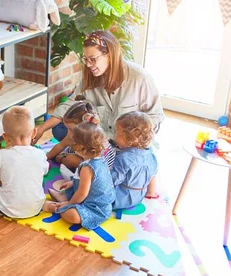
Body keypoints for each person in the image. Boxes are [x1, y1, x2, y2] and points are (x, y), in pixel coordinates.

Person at [33, 30, 165, 144]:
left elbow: (156, 116)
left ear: (109, 55)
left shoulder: (139, 78)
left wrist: (133, 138)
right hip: (100, 139)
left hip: (128, 144)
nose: (89, 64)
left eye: (93, 59)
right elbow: (71, 105)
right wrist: (40, 130)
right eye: (86, 59)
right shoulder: (90, 77)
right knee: (59, 129)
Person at [43, 115, 115, 230]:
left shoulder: (87, 167)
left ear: (80, 147)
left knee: (70, 215)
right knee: (73, 187)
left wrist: (70, 204)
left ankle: (57, 207)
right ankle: (63, 198)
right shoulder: (100, 159)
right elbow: (91, 182)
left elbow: (82, 194)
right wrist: (72, 183)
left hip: (95, 208)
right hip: (102, 202)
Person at [46, 100, 116, 169]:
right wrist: (45, 158)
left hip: (94, 168)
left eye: (71, 129)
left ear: (83, 129)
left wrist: (62, 159)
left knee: (70, 159)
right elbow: (61, 145)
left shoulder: (93, 142)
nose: (68, 132)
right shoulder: (74, 136)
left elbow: (96, 166)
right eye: (67, 128)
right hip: (82, 158)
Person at [111, 112, 159, 209]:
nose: (114, 136)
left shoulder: (124, 158)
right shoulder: (151, 154)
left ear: (129, 137)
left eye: (117, 132)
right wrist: (150, 193)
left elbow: (112, 180)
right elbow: (152, 176)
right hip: (138, 197)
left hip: (118, 200)